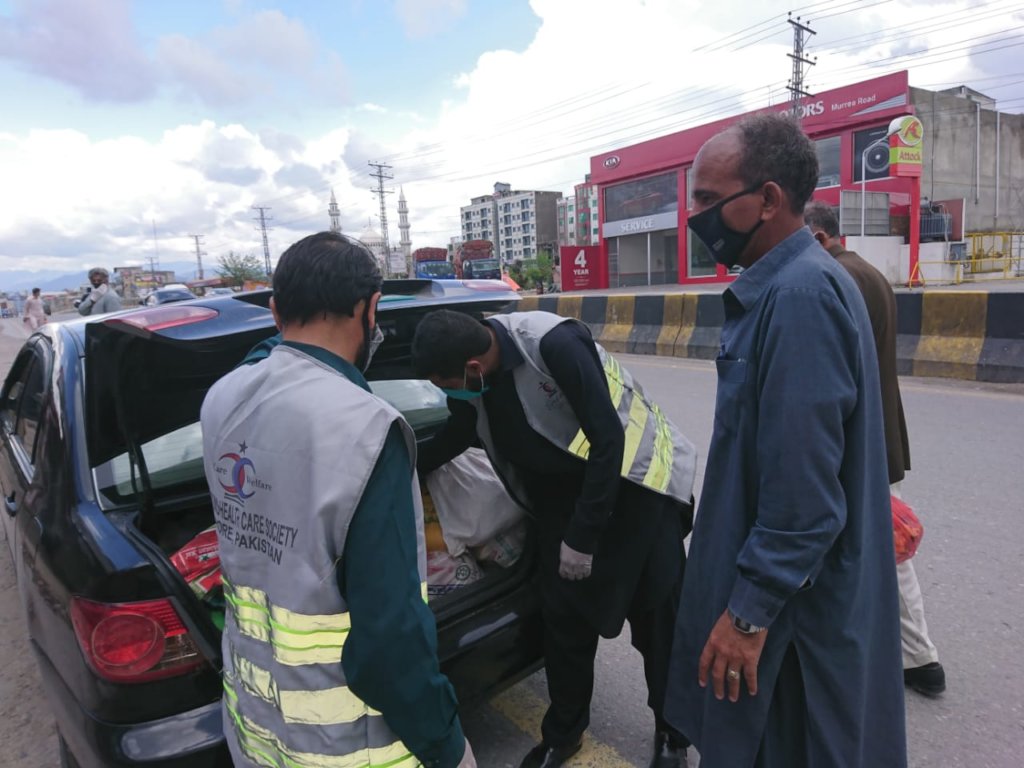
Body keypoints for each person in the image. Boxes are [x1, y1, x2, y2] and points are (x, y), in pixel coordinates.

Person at [664, 114, 906, 768]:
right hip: (793, 607)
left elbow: (803, 499)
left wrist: (747, 615)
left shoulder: (799, 297)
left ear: (767, 200)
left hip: (795, 626)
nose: (697, 218)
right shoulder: (791, 285)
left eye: (710, 201)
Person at [201, 232, 475, 768]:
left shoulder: (221, 398)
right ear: (369, 308)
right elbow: (391, 640)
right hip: (346, 749)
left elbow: (268, 364)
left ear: (276, 310)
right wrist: (446, 745)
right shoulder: (366, 429)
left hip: (255, 732)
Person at [412, 308, 698, 768]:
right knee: (565, 624)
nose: (448, 394)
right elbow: (458, 433)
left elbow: (609, 439)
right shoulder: (470, 375)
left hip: (635, 489)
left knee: (656, 619)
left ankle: (673, 732)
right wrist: (401, 462)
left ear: (472, 367)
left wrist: (583, 539)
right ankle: (564, 734)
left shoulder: (554, 345)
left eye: (446, 384)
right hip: (562, 501)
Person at [804, 200, 946, 697]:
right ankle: (911, 655)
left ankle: (912, 658)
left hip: (860, 442)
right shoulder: (866, 272)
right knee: (882, 551)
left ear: (818, 237)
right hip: (878, 434)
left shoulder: (838, 279)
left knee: (876, 552)